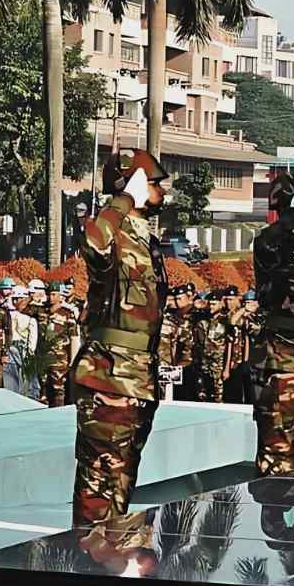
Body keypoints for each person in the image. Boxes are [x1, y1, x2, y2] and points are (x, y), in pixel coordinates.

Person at [72, 148, 170, 525]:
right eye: (154, 182)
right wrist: (124, 198)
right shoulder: (113, 230)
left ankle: (104, 553)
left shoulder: (145, 239)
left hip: (137, 375)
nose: (162, 189)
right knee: (100, 480)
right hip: (108, 376)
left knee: (121, 477)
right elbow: (93, 243)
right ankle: (88, 557)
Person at [251, 171, 294, 476]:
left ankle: (284, 513)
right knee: (276, 445)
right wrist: (290, 215)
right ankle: (273, 519)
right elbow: (269, 246)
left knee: (290, 441)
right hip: (280, 354)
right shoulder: (272, 240)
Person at [40, 282, 79, 407]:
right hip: (44, 357)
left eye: (54, 294)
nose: (50, 297)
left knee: (58, 391)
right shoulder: (42, 311)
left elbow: (74, 337)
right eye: (49, 294)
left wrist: (73, 360)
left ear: (60, 295)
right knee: (44, 391)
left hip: (60, 359)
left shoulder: (67, 313)